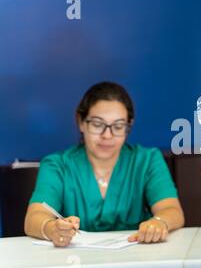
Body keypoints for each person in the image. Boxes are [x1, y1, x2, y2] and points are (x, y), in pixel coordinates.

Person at [24, 82, 185, 247]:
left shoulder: (147, 160)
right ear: (81, 122)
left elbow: (172, 210)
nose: (107, 135)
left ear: (128, 126)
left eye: (118, 126)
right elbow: (34, 217)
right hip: (73, 263)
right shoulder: (57, 165)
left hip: (137, 262)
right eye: (97, 124)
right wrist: (52, 229)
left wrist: (159, 223)